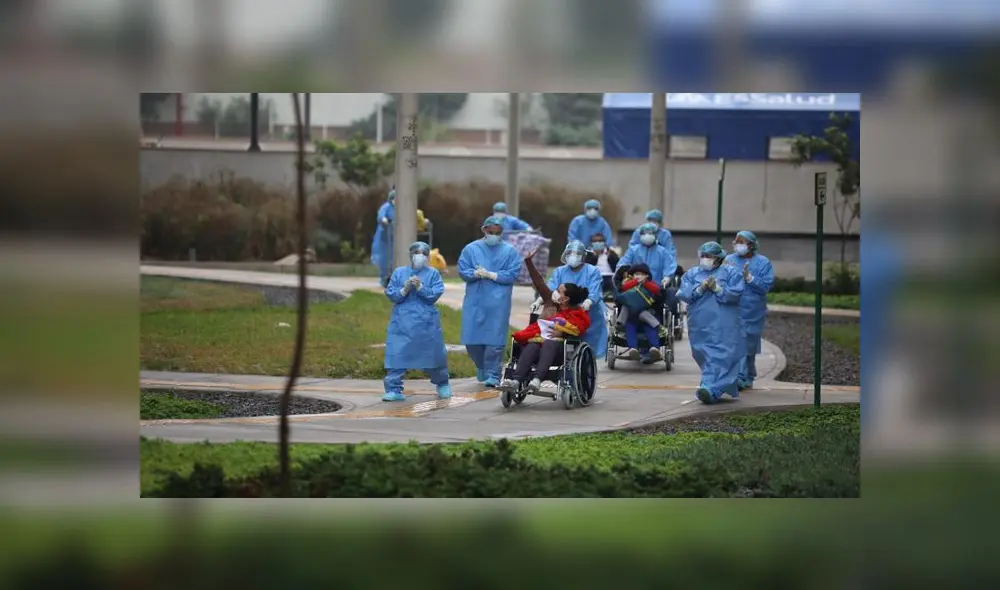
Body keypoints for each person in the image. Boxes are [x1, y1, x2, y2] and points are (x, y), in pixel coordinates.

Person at [381, 241, 452, 402]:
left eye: (424, 253)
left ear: (428, 256)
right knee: (397, 354)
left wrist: (421, 288)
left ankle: (442, 383)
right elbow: (392, 294)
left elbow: (434, 295)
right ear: (410, 255)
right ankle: (393, 389)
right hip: (402, 321)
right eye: (416, 253)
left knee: (433, 355)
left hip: (426, 321)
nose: (420, 257)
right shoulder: (399, 273)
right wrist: (404, 289)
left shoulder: (433, 273)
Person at [458, 216, 523, 388]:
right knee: (471, 340)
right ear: (483, 230)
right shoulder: (470, 249)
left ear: (502, 232)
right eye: (490, 231)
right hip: (475, 301)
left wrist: (493, 275)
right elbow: (463, 270)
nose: (493, 234)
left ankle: (494, 373)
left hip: (498, 303)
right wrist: (474, 274)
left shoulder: (510, 251)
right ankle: (482, 366)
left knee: (494, 341)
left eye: (497, 232)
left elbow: (513, 273)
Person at [677, 241, 746, 404]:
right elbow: (684, 293)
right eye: (703, 256)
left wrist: (718, 289)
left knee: (720, 355)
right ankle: (715, 386)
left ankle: (709, 388)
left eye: (709, 256)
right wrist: (699, 289)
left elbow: (736, 293)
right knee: (702, 354)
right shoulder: (693, 273)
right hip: (699, 323)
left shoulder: (731, 273)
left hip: (724, 322)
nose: (705, 259)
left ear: (718, 257)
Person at [503, 283, 592, 393]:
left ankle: (537, 379)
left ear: (565, 299)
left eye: (559, 291)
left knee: (550, 343)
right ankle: (515, 380)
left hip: (561, 351)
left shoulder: (578, 313)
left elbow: (578, 329)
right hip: (540, 345)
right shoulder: (552, 308)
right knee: (533, 346)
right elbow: (538, 326)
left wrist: (562, 333)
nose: (555, 293)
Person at [724, 231, 775, 390]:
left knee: (749, 345)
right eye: (736, 241)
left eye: (742, 242)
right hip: (733, 308)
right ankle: (738, 376)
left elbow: (766, 286)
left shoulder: (763, 262)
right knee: (737, 342)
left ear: (751, 245)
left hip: (753, 310)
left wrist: (750, 278)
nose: (738, 245)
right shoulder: (729, 260)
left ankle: (748, 374)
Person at [547, 240, 608, 359]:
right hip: (565, 314)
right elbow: (551, 286)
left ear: (583, 255)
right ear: (565, 254)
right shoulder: (559, 271)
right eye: (570, 253)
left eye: (577, 254)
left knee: (588, 351)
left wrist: (589, 301)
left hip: (589, 314)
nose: (573, 256)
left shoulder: (592, 271)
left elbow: (595, 290)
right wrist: (548, 296)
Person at [618, 222, 680, 320]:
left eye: (650, 233)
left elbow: (669, 266)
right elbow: (623, 265)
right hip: (634, 288)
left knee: (671, 294)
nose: (647, 236)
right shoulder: (633, 250)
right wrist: (624, 274)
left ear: (655, 235)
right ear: (640, 235)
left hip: (655, 289)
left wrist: (667, 277)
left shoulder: (662, 252)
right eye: (644, 233)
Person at [370, 188, 396, 287]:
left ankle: (393, 278)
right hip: (384, 237)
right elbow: (381, 216)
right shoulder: (386, 207)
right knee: (384, 259)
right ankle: (383, 278)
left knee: (393, 257)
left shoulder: (400, 208)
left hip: (394, 237)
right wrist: (384, 220)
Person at [584, 232, 619, 298]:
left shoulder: (611, 252)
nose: (597, 243)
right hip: (595, 277)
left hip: (610, 277)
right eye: (595, 241)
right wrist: (596, 256)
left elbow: (616, 267)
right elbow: (586, 268)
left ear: (604, 242)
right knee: (595, 285)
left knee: (615, 285)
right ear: (591, 243)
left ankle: (619, 304)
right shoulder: (588, 254)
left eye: (600, 241)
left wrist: (610, 258)